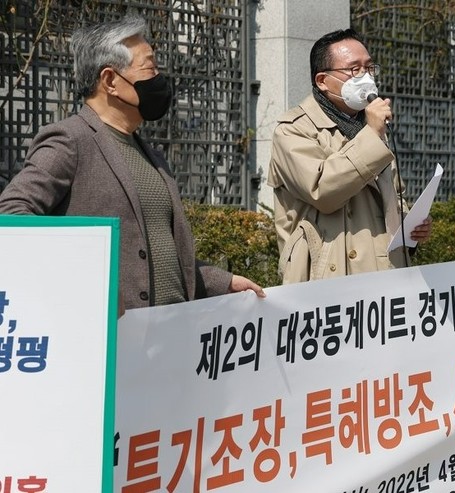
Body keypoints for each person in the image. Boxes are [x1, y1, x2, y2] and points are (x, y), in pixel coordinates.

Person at [0, 14, 265, 315]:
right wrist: (88, 282)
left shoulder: (151, 155)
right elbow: (11, 214)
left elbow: (161, 256)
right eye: (150, 68)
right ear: (110, 81)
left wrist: (224, 282)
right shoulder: (70, 140)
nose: (158, 79)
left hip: (171, 330)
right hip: (114, 333)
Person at [268, 28, 431, 284]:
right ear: (322, 80)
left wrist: (410, 225)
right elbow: (322, 190)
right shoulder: (293, 129)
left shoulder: (370, 127)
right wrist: (372, 134)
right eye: (354, 70)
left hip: (382, 272)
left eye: (369, 68)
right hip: (325, 278)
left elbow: (393, 194)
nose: (365, 76)